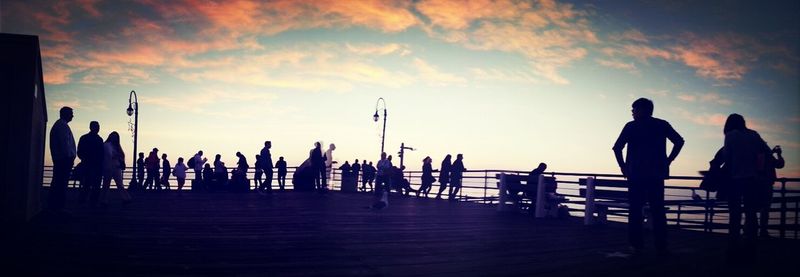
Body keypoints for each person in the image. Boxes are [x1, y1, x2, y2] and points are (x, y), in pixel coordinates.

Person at [612, 98, 684, 256]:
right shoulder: (662, 124)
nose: (632, 112)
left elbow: (617, 148)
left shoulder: (631, 127)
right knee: (658, 210)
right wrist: (668, 160)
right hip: (656, 174)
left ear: (643, 110)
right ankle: (661, 246)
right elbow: (679, 142)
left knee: (635, 210)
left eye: (634, 109)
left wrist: (623, 167)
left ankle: (636, 245)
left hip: (635, 174)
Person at [716, 114, 771, 261]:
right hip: (752, 180)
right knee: (751, 214)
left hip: (735, 179)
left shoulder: (730, 136)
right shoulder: (754, 135)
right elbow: (766, 152)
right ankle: (751, 247)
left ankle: (733, 247)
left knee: (735, 214)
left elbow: (727, 158)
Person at [48, 107, 77, 214]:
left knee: (58, 182)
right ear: (65, 114)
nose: (72, 116)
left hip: (61, 159)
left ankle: (54, 206)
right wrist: (69, 157)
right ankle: (58, 207)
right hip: (63, 160)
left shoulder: (60, 125)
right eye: (71, 113)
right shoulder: (62, 126)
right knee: (61, 183)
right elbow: (65, 144)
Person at [99, 131, 132, 206]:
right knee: (106, 184)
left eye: (115, 137)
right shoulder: (107, 145)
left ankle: (125, 198)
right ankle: (104, 200)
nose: (114, 138)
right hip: (109, 166)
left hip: (116, 167)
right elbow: (109, 155)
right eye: (113, 136)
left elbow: (118, 156)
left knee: (118, 184)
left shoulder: (115, 146)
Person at [77, 121, 104, 207]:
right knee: (91, 184)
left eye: (98, 126)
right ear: (91, 127)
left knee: (89, 184)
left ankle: (86, 200)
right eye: (97, 126)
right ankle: (91, 201)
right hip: (92, 165)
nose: (98, 128)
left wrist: (84, 159)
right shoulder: (99, 140)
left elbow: (79, 152)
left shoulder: (85, 138)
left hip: (91, 164)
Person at [760, 145, 785, 237]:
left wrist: (776, 153)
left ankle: (750, 230)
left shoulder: (766, 155)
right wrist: (777, 154)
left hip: (758, 185)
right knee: (765, 209)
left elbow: (779, 164)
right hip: (765, 185)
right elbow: (780, 164)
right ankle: (762, 231)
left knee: (753, 209)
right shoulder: (767, 156)